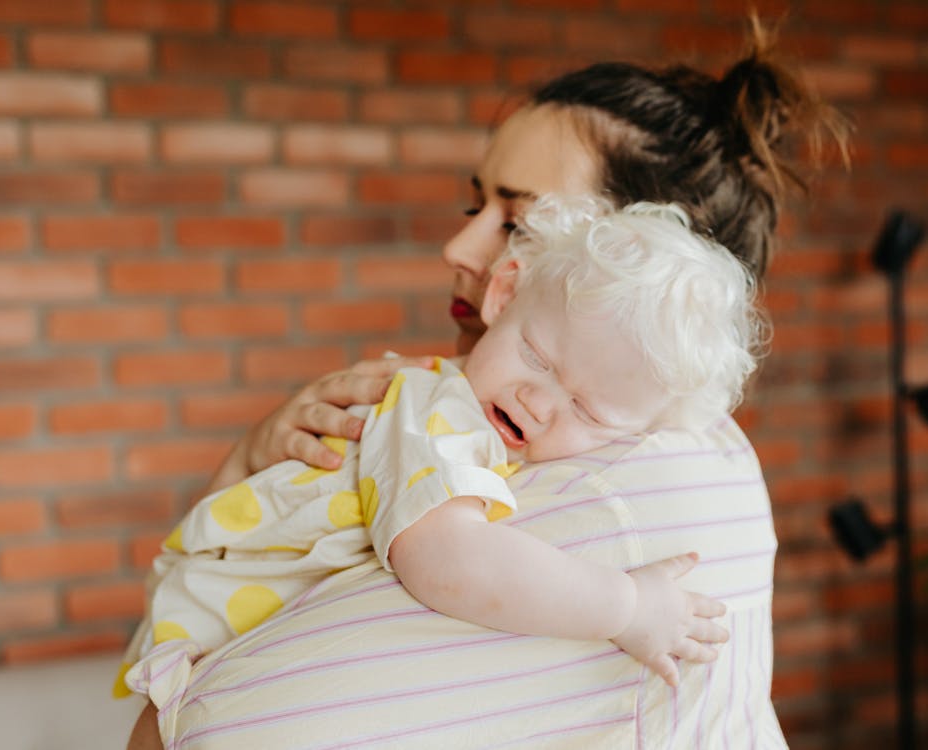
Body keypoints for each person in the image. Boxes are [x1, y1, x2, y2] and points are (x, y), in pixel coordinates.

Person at [128, 18, 847, 750]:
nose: (458, 246)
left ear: (647, 246)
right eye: (478, 206)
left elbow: (193, 735)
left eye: (518, 220)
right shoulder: (451, 409)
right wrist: (254, 457)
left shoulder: (637, 480)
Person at [118, 198, 760, 714]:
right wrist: (626, 606)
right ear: (504, 296)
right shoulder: (433, 406)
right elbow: (446, 559)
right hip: (207, 635)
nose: (538, 401)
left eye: (588, 412)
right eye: (536, 356)